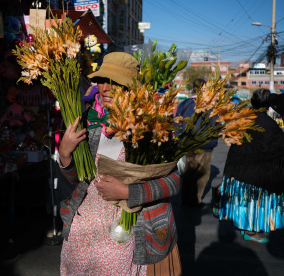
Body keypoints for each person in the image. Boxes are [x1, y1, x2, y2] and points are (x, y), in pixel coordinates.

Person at [58, 52, 182, 275]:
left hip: (125, 227)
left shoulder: (150, 126)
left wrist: (127, 191)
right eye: (103, 80)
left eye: (115, 82)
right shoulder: (88, 121)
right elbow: (74, 180)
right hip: (83, 226)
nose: (105, 88)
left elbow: (173, 182)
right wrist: (65, 155)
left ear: (131, 88)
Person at [217, 88, 284, 243]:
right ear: (268, 106)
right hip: (257, 174)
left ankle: (246, 229)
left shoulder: (243, 118)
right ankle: (250, 232)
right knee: (254, 203)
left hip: (238, 169)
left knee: (244, 202)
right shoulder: (268, 124)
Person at [175, 79, 218, 208]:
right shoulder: (209, 105)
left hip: (187, 144)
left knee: (189, 172)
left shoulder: (184, 104)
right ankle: (195, 200)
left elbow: (176, 123)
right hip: (204, 144)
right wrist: (213, 141)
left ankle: (186, 199)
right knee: (202, 173)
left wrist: (179, 141)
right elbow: (215, 124)